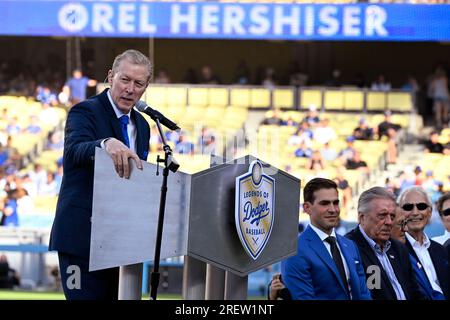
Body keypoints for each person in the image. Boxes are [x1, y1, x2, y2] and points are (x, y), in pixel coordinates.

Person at [49, 49, 152, 300]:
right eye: (124, 79)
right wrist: (105, 143)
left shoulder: (143, 125)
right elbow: (74, 151)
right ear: (110, 77)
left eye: (138, 83)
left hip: (121, 242)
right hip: (82, 238)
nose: (130, 89)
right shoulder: (84, 111)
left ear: (145, 87)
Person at [281, 178, 371, 300]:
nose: (333, 209)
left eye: (335, 203)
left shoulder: (350, 245)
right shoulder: (294, 250)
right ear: (307, 208)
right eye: (324, 203)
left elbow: (363, 294)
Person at [346, 187, 425, 300]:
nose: (389, 222)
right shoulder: (349, 249)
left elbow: (415, 292)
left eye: (392, 216)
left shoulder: (399, 249)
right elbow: (372, 293)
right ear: (362, 217)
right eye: (382, 215)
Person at [398, 186, 450, 299]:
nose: (415, 212)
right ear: (399, 212)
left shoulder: (440, 250)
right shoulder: (394, 250)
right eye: (408, 207)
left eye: (421, 206)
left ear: (430, 212)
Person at [391, 206, 445, 300]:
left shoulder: (407, 257)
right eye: (400, 224)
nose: (405, 229)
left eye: (405, 223)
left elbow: (427, 291)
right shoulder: (368, 255)